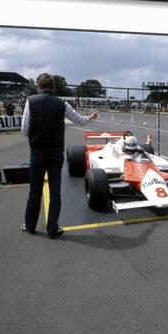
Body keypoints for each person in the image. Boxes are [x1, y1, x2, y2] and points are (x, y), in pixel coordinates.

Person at [21, 73, 98, 239]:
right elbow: (80, 121)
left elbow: (24, 129)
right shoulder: (62, 104)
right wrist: (91, 117)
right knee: (55, 193)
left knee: (34, 192)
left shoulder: (31, 102)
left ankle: (30, 226)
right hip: (56, 153)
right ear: (53, 87)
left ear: (39, 86)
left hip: (37, 151)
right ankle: (52, 229)